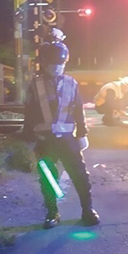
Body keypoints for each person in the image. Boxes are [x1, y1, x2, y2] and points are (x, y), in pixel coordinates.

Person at [21, 41, 99, 229]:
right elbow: (30, 112)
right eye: (53, 63)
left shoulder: (71, 83)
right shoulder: (35, 84)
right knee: (48, 178)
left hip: (67, 139)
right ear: (44, 63)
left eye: (61, 63)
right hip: (44, 139)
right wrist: (29, 137)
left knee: (80, 175)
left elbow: (78, 109)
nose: (57, 67)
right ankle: (52, 212)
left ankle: (87, 210)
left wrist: (82, 132)